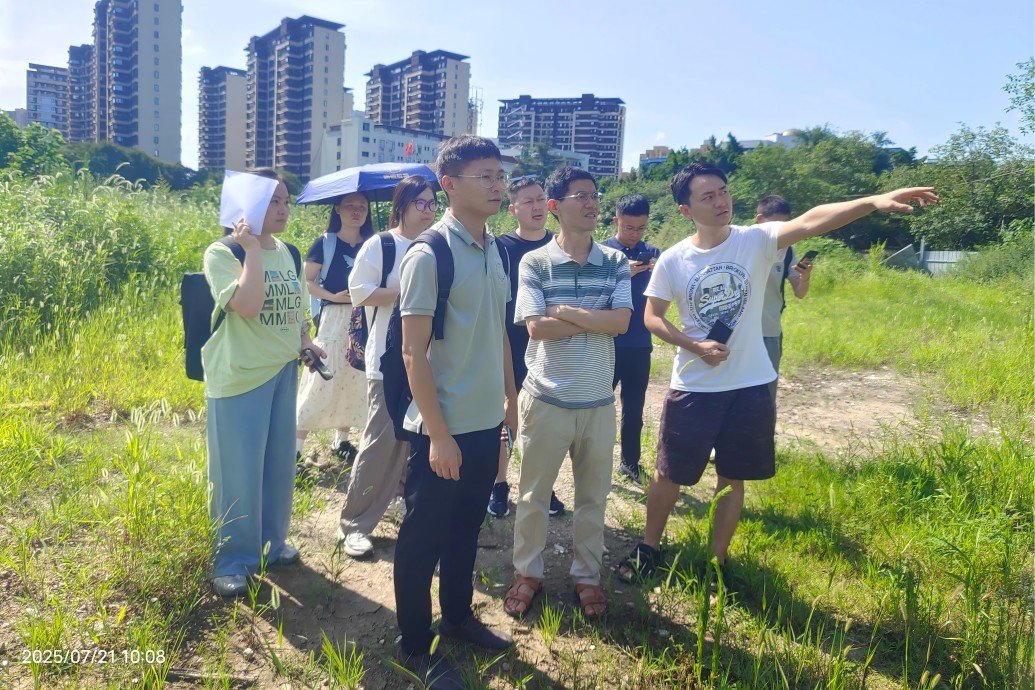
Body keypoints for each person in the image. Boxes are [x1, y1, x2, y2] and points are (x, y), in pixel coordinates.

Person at [617, 162, 936, 583]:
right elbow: (652, 316)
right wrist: (694, 346)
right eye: (708, 196)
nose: (721, 201)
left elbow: (812, 220)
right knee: (667, 473)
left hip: (749, 384)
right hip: (694, 385)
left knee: (732, 477)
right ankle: (650, 548)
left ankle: (717, 564)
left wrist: (872, 202)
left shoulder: (755, 239)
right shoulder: (674, 259)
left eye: (724, 191)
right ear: (685, 210)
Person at [393, 135, 519, 690]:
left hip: (486, 421)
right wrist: (439, 435)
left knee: (467, 528)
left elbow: (500, 333)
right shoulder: (430, 254)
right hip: (441, 430)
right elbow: (412, 353)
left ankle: (458, 616)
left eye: (500, 175)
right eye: (484, 176)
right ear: (448, 185)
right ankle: (414, 645)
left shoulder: (496, 250)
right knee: (423, 539)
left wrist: (510, 399)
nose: (497, 185)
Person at [504, 167, 632, 620]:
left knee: (593, 498)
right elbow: (537, 328)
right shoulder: (534, 262)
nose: (592, 203)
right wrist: (594, 317)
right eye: (581, 196)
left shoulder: (615, 261)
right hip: (545, 399)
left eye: (595, 195)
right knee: (533, 496)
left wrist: (567, 312)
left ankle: (587, 576)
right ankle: (528, 573)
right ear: (555, 206)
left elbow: (622, 323)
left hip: (598, 402)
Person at [203, 168, 325, 597]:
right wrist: (252, 251)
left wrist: (305, 342)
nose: (283, 209)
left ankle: (271, 544)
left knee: (277, 467)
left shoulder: (289, 252)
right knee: (238, 473)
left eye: (286, 201)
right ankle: (232, 560)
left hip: (281, 372)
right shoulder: (223, 253)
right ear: (246, 204)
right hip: (240, 377)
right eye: (273, 201)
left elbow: (295, 309)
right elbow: (250, 306)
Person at [337, 175, 438, 558]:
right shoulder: (382, 245)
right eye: (420, 203)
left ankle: (398, 501)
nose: (428, 210)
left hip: (430, 360)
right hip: (389, 360)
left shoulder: (435, 244)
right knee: (381, 442)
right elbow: (359, 292)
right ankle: (354, 524)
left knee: (417, 439)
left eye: (432, 203)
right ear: (402, 206)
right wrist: (408, 292)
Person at [488, 175, 565, 519]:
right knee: (504, 417)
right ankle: (499, 484)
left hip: (550, 345)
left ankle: (542, 486)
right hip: (507, 342)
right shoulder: (499, 247)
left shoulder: (560, 245)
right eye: (528, 201)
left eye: (540, 199)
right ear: (513, 209)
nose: (537, 207)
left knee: (544, 421)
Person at [295, 192, 373, 463]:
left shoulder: (373, 244)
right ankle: (296, 448)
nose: (356, 211)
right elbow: (306, 281)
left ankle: (342, 441)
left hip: (364, 317)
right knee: (322, 378)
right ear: (337, 209)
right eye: (350, 206)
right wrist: (333, 297)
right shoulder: (325, 243)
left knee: (355, 378)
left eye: (362, 206)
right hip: (333, 319)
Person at [601, 194, 660, 486]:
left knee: (634, 409)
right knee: (599, 408)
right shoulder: (602, 252)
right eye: (628, 227)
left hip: (639, 342)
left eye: (640, 228)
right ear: (616, 221)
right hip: (607, 342)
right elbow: (594, 294)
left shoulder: (652, 252)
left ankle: (630, 463)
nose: (634, 234)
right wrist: (622, 272)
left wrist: (658, 270)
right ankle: (594, 463)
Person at [756, 195, 812, 405]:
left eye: (784, 225)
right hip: (737, 333)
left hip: (769, 331)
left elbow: (800, 292)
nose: (780, 231)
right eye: (774, 225)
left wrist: (805, 277)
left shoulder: (788, 251)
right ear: (759, 220)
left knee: (765, 395)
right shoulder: (740, 245)